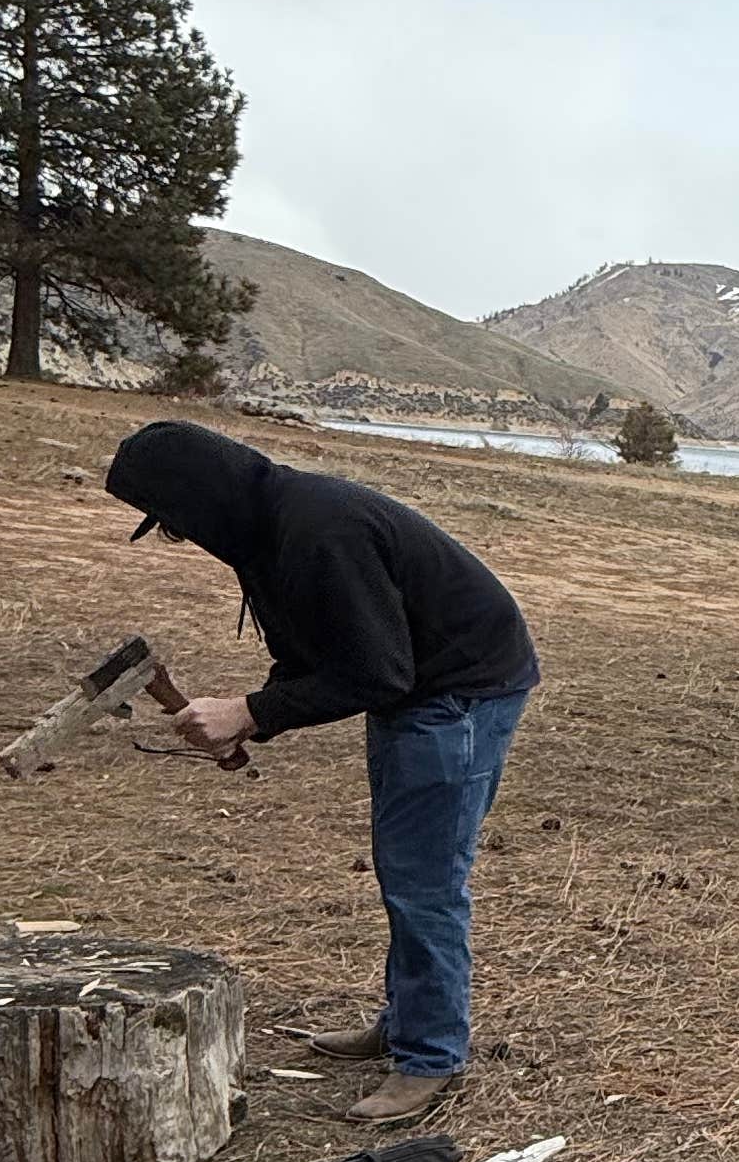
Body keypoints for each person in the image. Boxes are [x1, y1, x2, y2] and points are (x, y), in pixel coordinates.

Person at [104, 422, 539, 1123]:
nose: (176, 537)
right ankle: (406, 1022)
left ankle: (430, 1056)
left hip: (459, 691)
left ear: (201, 497)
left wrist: (248, 711)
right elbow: (315, 646)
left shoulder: (317, 531)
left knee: (424, 878)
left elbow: (377, 670)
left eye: (174, 520)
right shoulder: (264, 530)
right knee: (404, 865)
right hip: (421, 685)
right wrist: (256, 714)